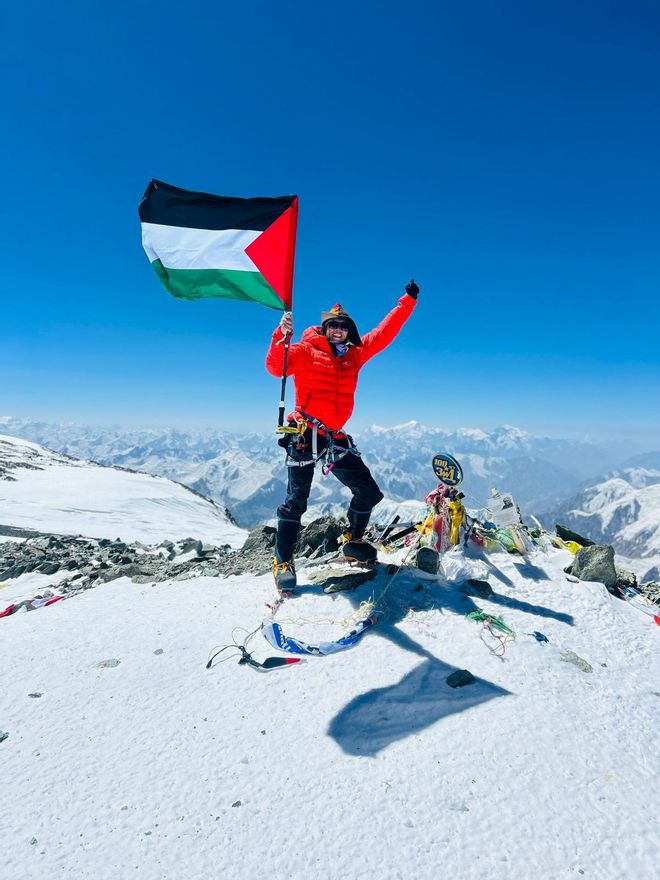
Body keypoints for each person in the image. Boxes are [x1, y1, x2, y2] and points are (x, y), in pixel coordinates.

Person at [265, 280, 419, 592]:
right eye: (332, 325)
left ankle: (354, 539)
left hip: (334, 437)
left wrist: (407, 302)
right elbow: (274, 366)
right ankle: (283, 561)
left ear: (349, 330)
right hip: (305, 434)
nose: (338, 330)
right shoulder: (305, 350)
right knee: (296, 502)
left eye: (343, 326)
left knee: (368, 492)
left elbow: (383, 334)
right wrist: (280, 336)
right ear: (324, 328)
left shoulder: (354, 356)